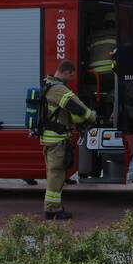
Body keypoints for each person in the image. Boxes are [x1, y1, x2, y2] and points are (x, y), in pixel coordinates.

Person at [39, 60, 96, 220]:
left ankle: (53, 207)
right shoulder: (57, 89)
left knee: (54, 173)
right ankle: (52, 209)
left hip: (50, 138)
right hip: (56, 139)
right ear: (65, 71)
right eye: (71, 75)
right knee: (56, 174)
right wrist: (92, 117)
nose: (71, 78)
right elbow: (75, 106)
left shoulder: (47, 83)